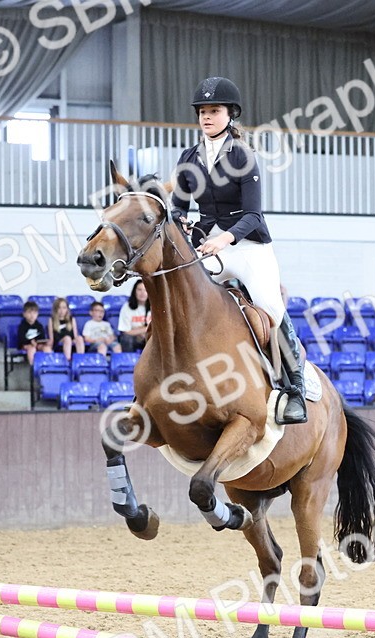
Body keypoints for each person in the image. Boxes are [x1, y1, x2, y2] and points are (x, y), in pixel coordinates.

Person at [170, 76, 307, 425]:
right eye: (202, 111)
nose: (206, 117)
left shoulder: (243, 157)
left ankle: (295, 390)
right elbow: (178, 208)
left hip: (247, 247)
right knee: (184, 294)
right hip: (209, 244)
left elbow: (253, 215)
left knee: (269, 305)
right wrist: (183, 223)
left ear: (230, 114)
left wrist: (224, 239)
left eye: (214, 111)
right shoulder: (189, 158)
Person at [117, 280, 151, 353]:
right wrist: (145, 329)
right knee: (126, 338)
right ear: (134, 291)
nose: (142, 293)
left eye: (145, 290)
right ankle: (129, 362)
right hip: (133, 339)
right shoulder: (127, 307)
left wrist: (138, 330)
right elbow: (126, 331)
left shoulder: (155, 307)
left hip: (150, 338)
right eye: (139, 290)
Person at [16, 300, 50, 365]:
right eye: (29, 312)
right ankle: (33, 367)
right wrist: (30, 342)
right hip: (26, 345)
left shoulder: (39, 326)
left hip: (37, 344)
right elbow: (21, 339)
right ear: (24, 314)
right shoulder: (22, 326)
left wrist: (38, 342)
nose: (32, 315)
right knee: (32, 349)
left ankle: (48, 366)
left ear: (37, 314)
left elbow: (42, 337)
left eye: (34, 313)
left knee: (47, 348)